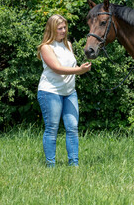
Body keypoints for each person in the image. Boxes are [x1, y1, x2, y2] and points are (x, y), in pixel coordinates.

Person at [37, 14, 91, 167]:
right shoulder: (46, 47)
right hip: (50, 92)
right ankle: (50, 165)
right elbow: (57, 69)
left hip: (69, 92)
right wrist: (79, 71)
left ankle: (74, 164)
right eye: (59, 28)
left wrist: (81, 68)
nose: (63, 30)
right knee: (52, 128)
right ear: (52, 29)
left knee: (72, 128)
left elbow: (70, 65)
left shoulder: (68, 44)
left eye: (64, 27)